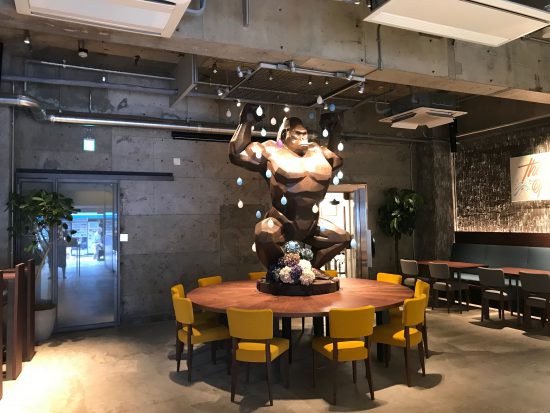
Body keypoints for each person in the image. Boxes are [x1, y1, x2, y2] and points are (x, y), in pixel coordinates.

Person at [229, 104, 351, 269]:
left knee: (341, 238)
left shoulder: (318, 151)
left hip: (312, 223)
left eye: (305, 133)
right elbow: (237, 153)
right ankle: (281, 272)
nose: (303, 137)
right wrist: (246, 122)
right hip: (282, 221)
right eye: (297, 134)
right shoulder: (272, 150)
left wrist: (334, 132)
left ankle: (308, 270)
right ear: (285, 134)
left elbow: (335, 160)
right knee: (264, 234)